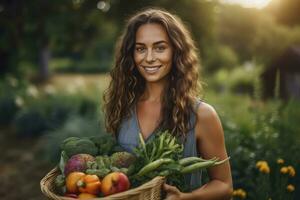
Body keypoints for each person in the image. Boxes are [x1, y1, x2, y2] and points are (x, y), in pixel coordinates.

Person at [103, 7, 232, 200]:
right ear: (132, 54)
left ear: (176, 51)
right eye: (140, 49)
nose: (149, 58)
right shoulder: (122, 109)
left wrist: (185, 198)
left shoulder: (201, 115)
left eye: (160, 47)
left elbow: (224, 185)